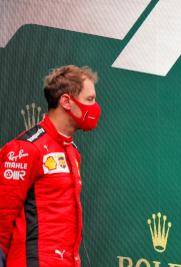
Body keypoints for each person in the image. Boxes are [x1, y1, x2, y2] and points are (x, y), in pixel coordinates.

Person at [0, 65, 101, 267]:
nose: (96, 107)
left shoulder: (72, 151)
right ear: (66, 101)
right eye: (89, 100)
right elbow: (2, 218)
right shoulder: (25, 149)